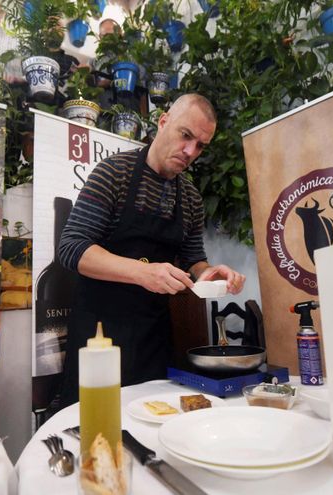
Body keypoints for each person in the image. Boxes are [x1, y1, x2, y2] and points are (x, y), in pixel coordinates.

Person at [57, 93, 245, 407]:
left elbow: (192, 258)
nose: (190, 151)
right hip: (99, 331)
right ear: (163, 121)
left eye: (200, 146)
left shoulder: (190, 198)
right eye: (185, 136)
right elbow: (72, 248)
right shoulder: (113, 174)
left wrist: (208, 274)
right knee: (92, 427)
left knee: (153, 421)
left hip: (153, 335)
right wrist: (144, 272)